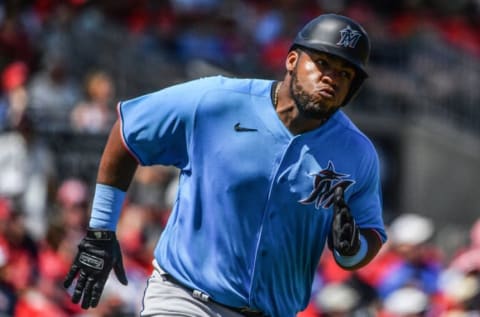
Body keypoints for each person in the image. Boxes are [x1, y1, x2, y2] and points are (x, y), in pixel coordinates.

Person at [63, 13, 387, 317]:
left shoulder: (357, 154)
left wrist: (352, 247)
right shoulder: (216, 100)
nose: (330, 77)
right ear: (292, 60)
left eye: (344, 73)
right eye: (321, 63)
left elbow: (365, 242)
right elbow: (128, 132)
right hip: (185, 298)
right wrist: (101, 232)